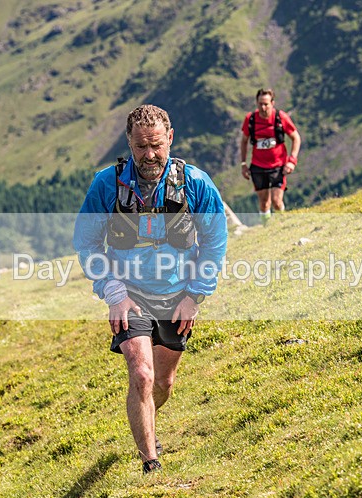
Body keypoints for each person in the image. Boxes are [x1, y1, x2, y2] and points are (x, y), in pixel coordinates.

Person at [74, 104, 228, 474]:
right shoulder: (106, 184)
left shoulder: (196, 183)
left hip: (178, 295)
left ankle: (145, 419)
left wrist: (195, 295)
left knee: (163, 383)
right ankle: (150, 463)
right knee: (142, 374)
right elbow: (87, 243)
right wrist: (113, 292)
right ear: (129, 142)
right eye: (141, 146)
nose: (149, 155)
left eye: (156, 145)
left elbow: (214, 242)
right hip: (130, 294)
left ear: (170, 138)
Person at [239, 88, 302, 224]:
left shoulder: (281, 117)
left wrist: (292, 161)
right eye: (260, 104)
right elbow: (244, 141)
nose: (263, 107)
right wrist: (243, 164)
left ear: (272, 103)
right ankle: (266, 226)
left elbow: (296, 137)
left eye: (266, 104)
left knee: (276, 201)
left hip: (278, 166)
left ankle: (282, 225)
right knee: (264, 203)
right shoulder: (250, 119)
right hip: (258, 166)